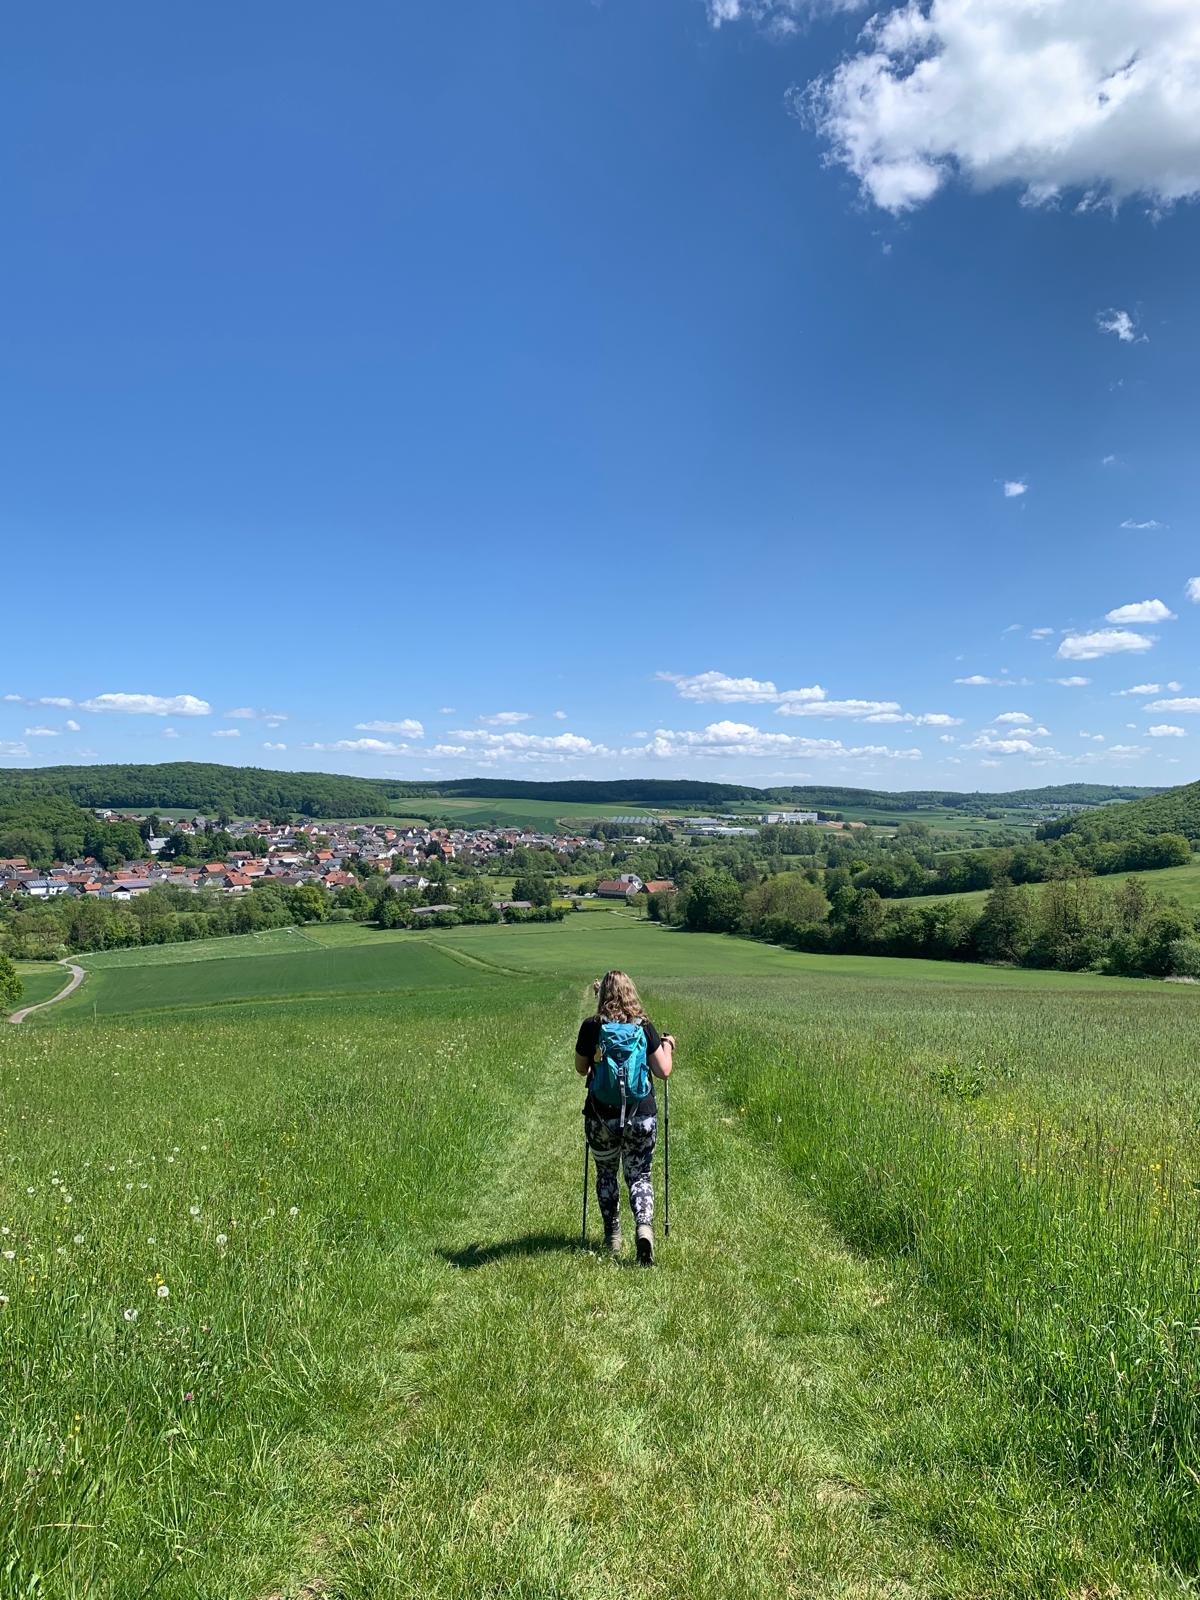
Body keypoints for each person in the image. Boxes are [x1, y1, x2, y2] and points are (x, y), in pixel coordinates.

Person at [575, 969, 674, 1265]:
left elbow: (581, 1068)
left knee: (606, 1173)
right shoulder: (644, 1026)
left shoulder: (592, 1026)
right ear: (631, 992)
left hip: (601, 1116)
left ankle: (613, 1236)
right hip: (640, 1115)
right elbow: (663, 1070)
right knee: (640, 1174)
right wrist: (668, 1045)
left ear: (602, 993)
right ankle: (644, 1228)